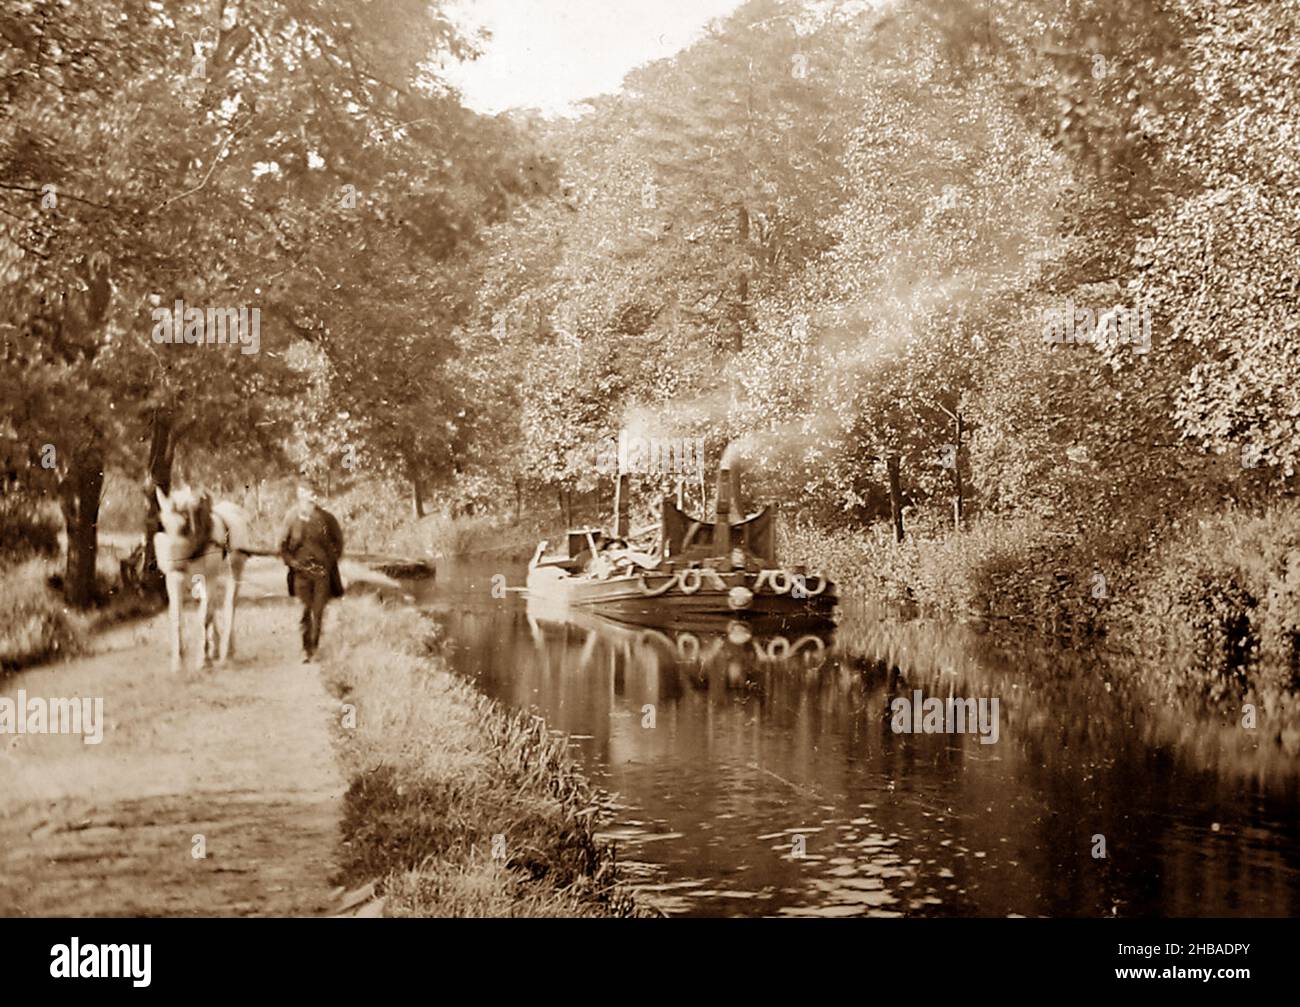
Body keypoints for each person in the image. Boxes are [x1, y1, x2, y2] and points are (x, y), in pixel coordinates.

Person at [278, 483, 344, 662]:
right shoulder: (291, 518)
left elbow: (338, 544)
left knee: (318, 611)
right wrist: (292, 563)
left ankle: (314, 648)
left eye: (313, 494)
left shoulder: (327, 519)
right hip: (301, 574)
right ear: (299, 495)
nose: (310, 497)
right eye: (306, 493)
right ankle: (305, 649)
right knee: (304, 610)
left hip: (322, 574)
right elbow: (282, 546)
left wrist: (328, 563)